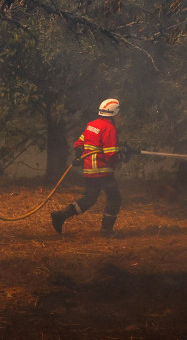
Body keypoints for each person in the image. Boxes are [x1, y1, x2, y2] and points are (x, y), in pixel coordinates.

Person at [50, 98, 139, 237]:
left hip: (90, 170)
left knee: (89, 198)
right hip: (102, 171)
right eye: (120, 113)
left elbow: (79, 143)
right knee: (115, 198)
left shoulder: (92, 125)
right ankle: (107, 230)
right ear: (114, 113)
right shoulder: (110, 128)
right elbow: (110, 155)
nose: (121, 116)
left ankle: (61, 216)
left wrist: (79, 155)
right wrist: (124, 157)